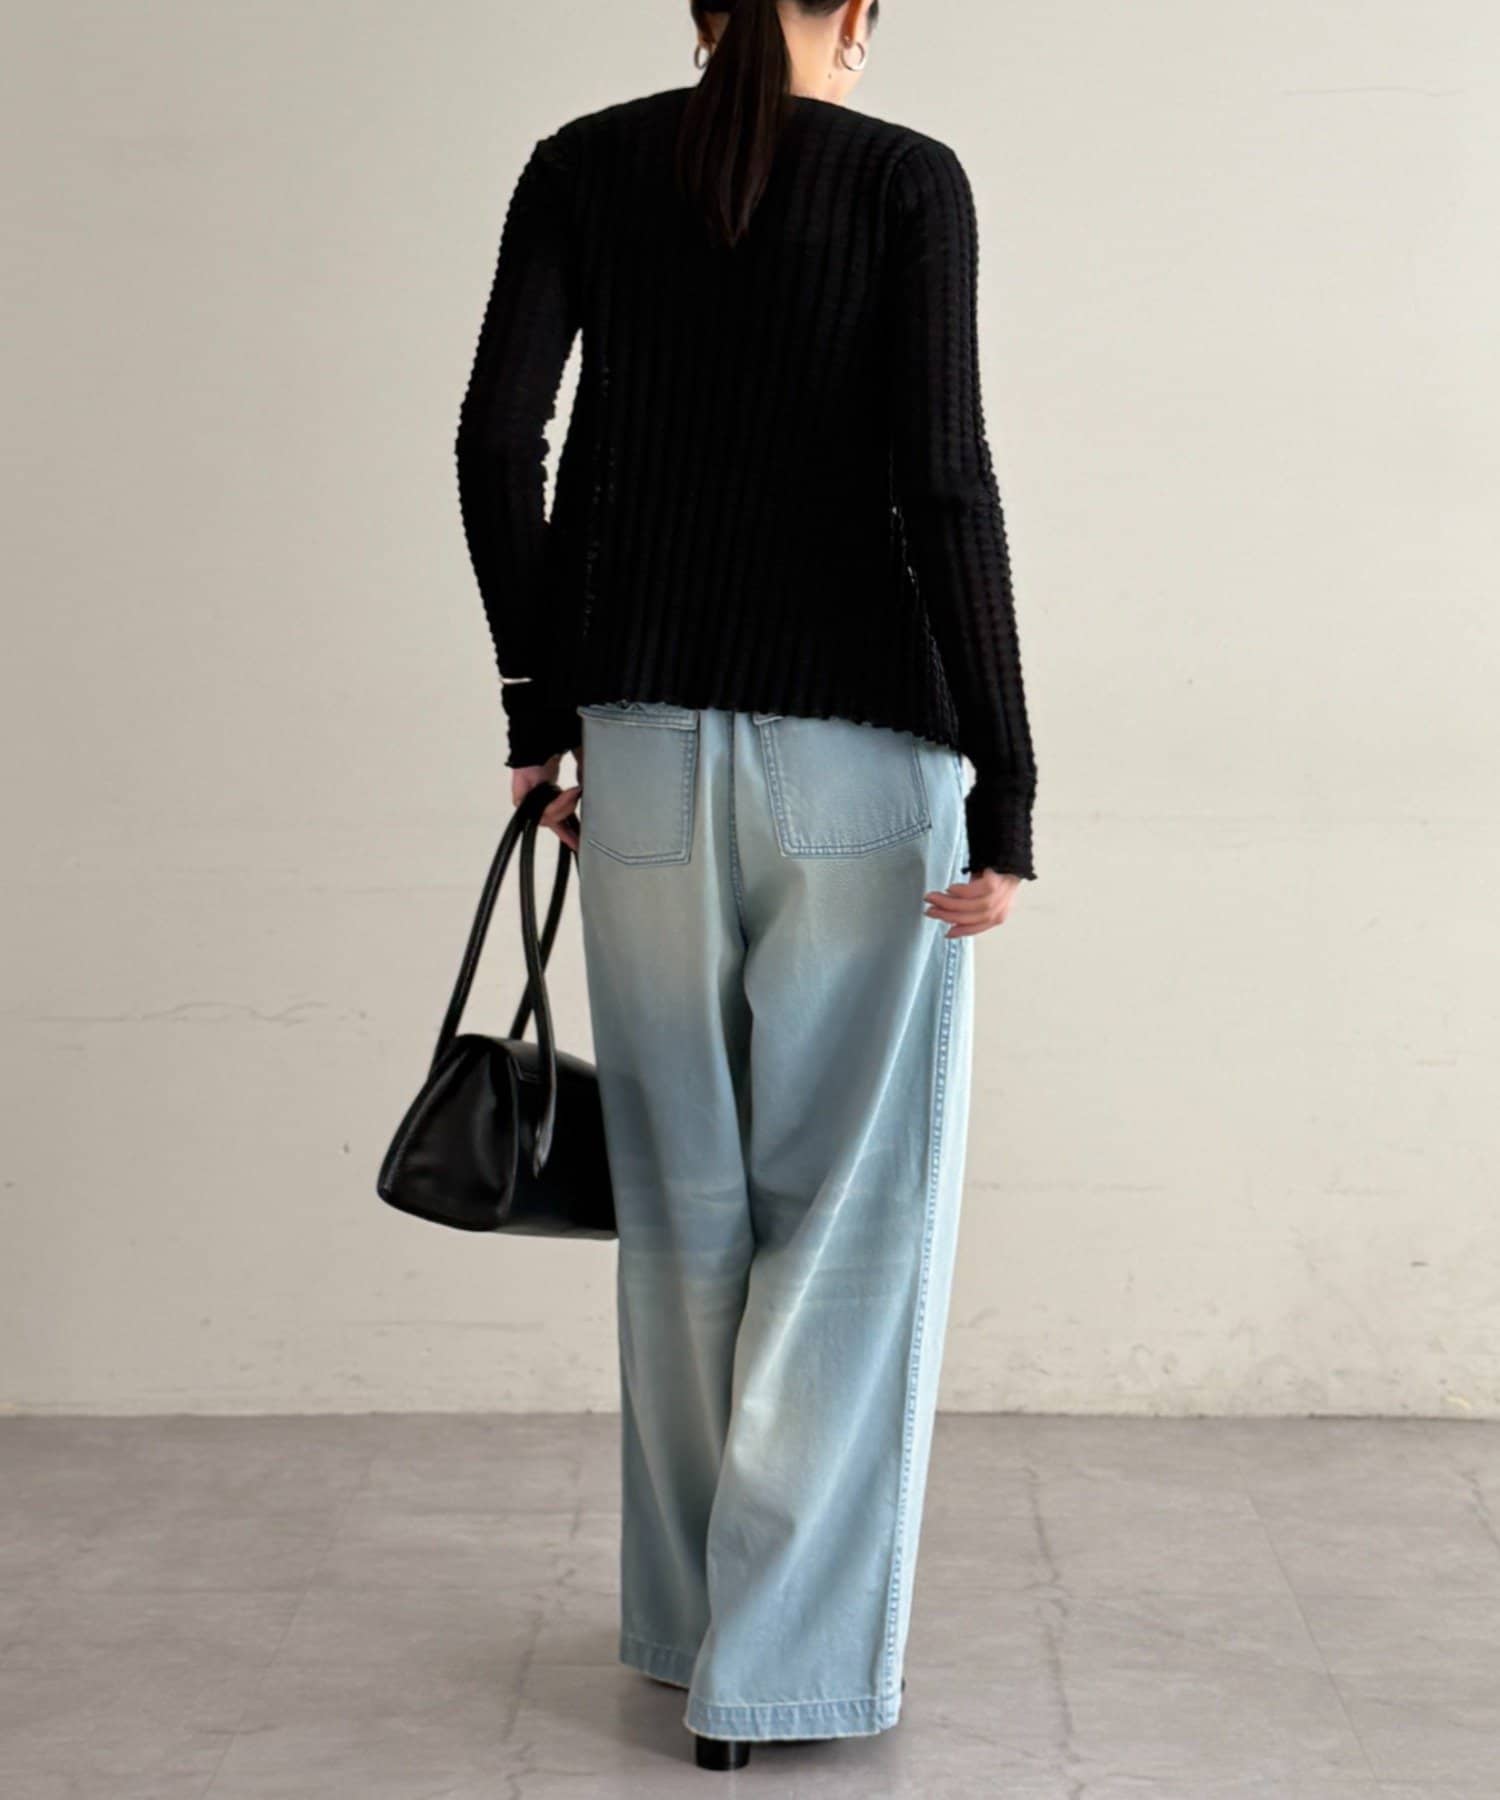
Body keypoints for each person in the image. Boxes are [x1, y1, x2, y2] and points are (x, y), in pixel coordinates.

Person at [454, 0, 1037, 1772]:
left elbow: (494, 438)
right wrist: (1007, 781)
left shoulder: (582, 165)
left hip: (636, 746)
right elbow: (943, 478)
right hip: (861, 754)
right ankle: (775, 1677)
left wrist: (540, 710)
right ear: (854, 11)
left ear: (698, 12)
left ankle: (689, 1633)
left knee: (683, 1206)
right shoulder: (904, 180)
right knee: (843, 1220)